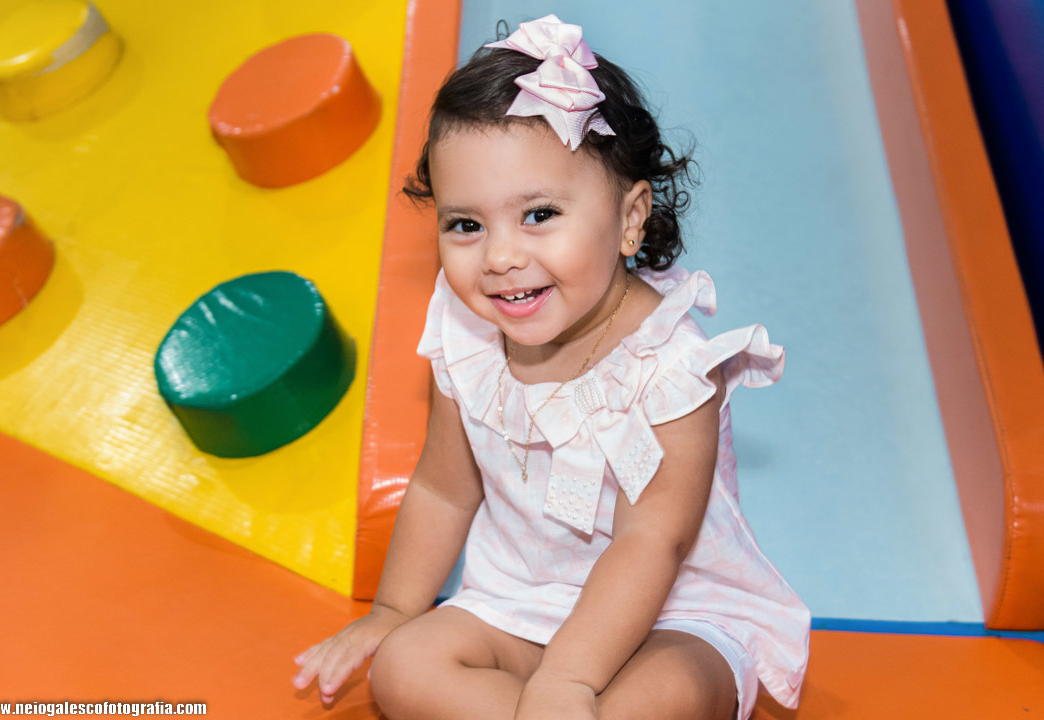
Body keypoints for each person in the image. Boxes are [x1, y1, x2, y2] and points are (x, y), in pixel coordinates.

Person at [293, 14, 809, 720]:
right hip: (517, 602)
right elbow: (443, 490)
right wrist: (393, 611)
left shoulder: (673, 369)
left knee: (664, 696)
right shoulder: (470, 337)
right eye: (466, 225)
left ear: (630, 218)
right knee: (404, 667)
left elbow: (653, 541)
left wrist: (566, 682)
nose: (501, 256)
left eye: (538, 215)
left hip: (670, 613)